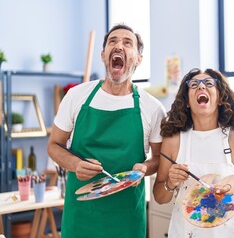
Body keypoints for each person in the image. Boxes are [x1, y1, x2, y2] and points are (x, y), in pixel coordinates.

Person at [47, 23, 166, 238]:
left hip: (126, 217)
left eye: (127, 43)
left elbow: (159, 158)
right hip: (81, 216)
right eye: (113, 41)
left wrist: (144, 168)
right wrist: (75, 164)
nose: (119, 46)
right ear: (103, 55)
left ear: (138, 58)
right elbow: (53, 146)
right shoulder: (76, 96)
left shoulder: (153, 108)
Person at [153, 68, 234, 237]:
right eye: (194, 84)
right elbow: (159, 197)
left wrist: (232, 193)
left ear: (219, 97)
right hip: (185, 232)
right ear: (187, 101)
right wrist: (170, 183)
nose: (201, 87)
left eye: (208, 83)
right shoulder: (173, 140)